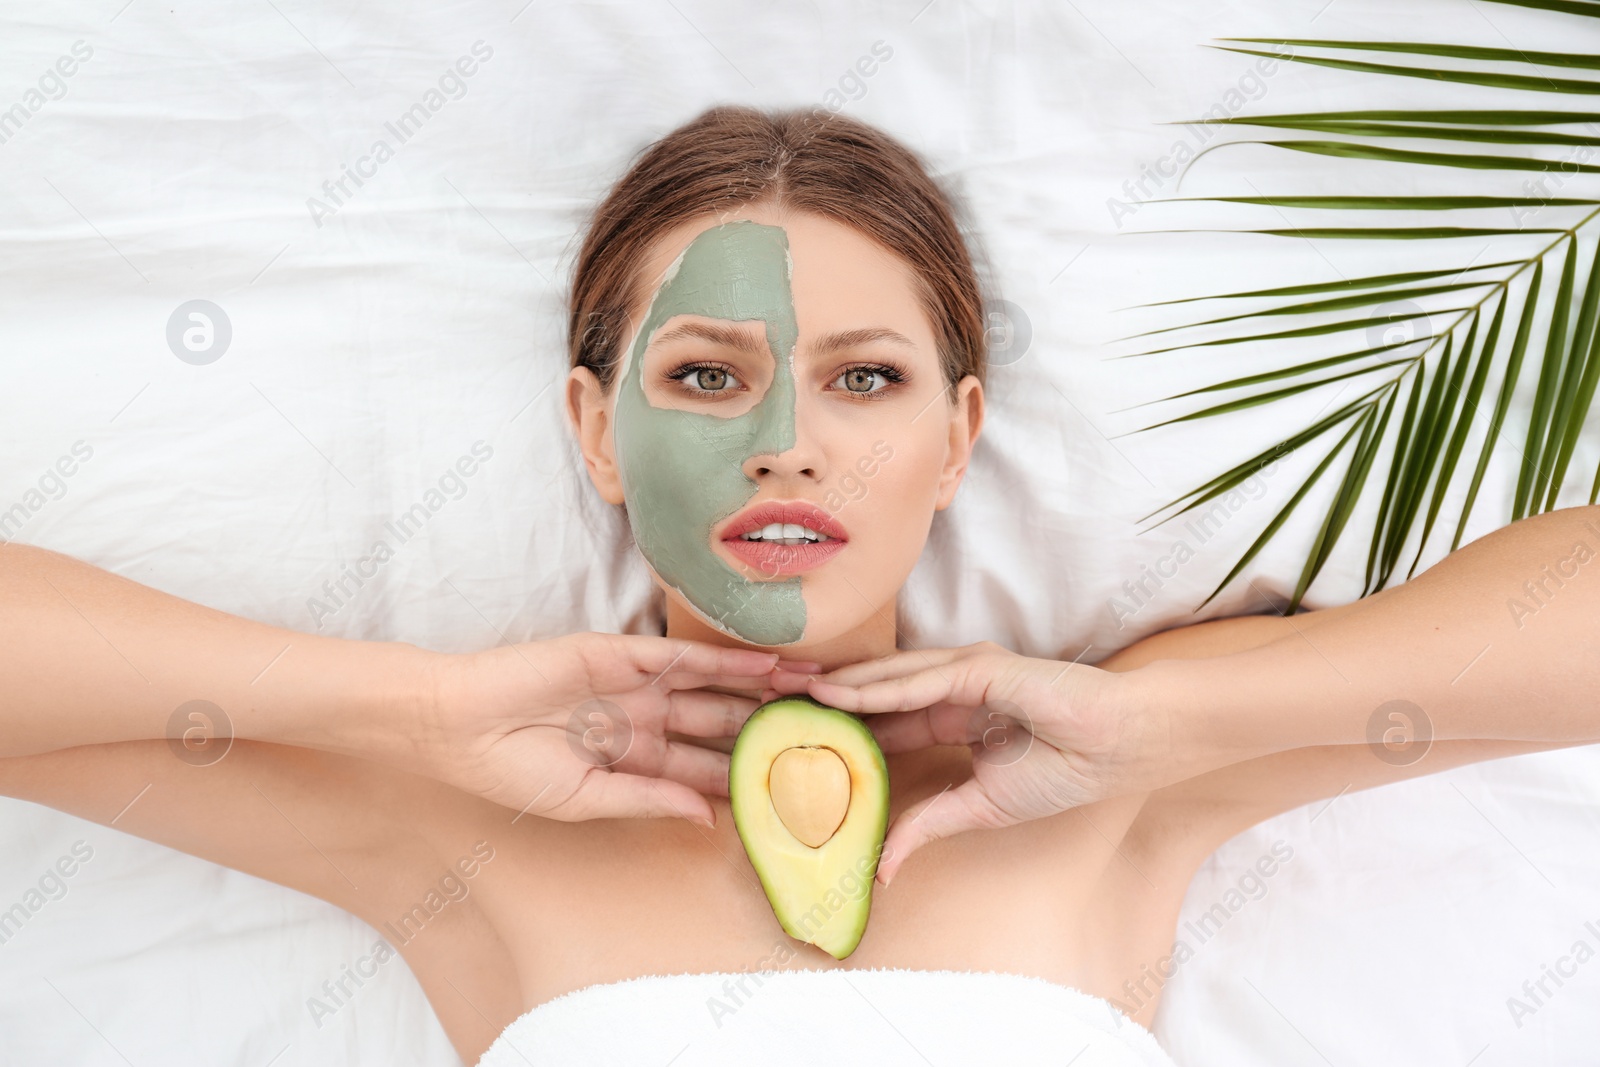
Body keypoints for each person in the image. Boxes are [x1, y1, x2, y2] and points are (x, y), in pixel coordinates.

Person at [2, 104, 1596, 1066]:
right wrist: (416, 707)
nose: (785, 447)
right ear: (594, 431)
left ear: (961, 435)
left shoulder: (1115, 777)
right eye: (705, 378)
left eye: (865, 379)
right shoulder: (455, 818)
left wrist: (1172, 720)